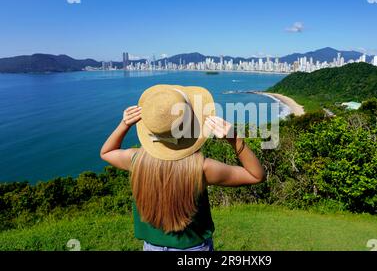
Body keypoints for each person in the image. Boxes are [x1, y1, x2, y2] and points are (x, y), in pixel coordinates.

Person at [100, 85, 265, 251]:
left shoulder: (136, 160)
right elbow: (256, 175)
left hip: (152, 247)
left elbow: (107, 152)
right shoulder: (201, 168)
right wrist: (234, 139)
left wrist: (124, 124)